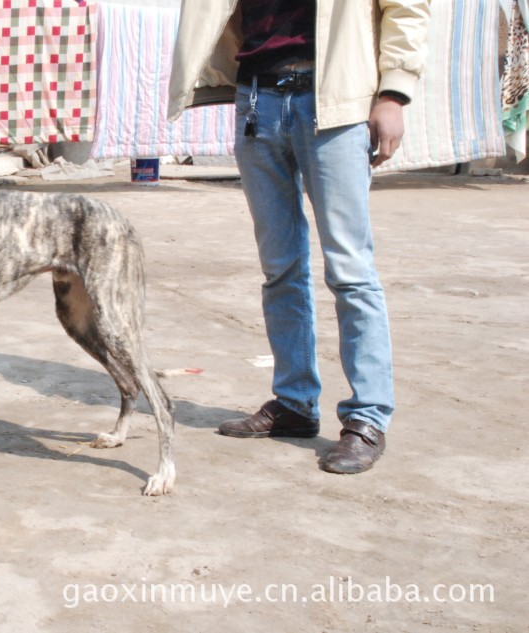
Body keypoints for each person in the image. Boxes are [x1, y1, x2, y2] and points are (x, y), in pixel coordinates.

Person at [168, 0, 431, 473]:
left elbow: (407, 8)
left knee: (350, 270)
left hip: (333, 102)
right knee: (280, 266)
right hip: (256, 100)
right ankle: (293, 402)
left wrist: (394, 93)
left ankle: (367, 419)